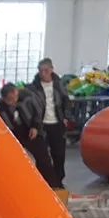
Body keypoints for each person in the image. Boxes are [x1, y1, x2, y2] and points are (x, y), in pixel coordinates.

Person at [0, 83, 56, 188]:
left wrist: (35, 126)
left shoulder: (29, 97)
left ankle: (50, 185)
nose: (11, 103)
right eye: (8, 100)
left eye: (12, 99)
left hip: (31, 130)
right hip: (13, 134)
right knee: (13, 161)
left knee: (43, 159)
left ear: (16, 92)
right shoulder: (0, 106)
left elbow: (38, 112)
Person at [26, 58, 72, 189]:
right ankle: (42, 182)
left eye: (46, 71)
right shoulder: (33, 88)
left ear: (51, 69)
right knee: (42, 157)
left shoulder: (59, 85)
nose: (43, 74)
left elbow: (66, 102)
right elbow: (30, 108)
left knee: (59, 155)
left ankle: (58, 182)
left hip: (57, 124)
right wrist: (33, 124)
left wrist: (66, 117)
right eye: (41, 71)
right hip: (41, 125)